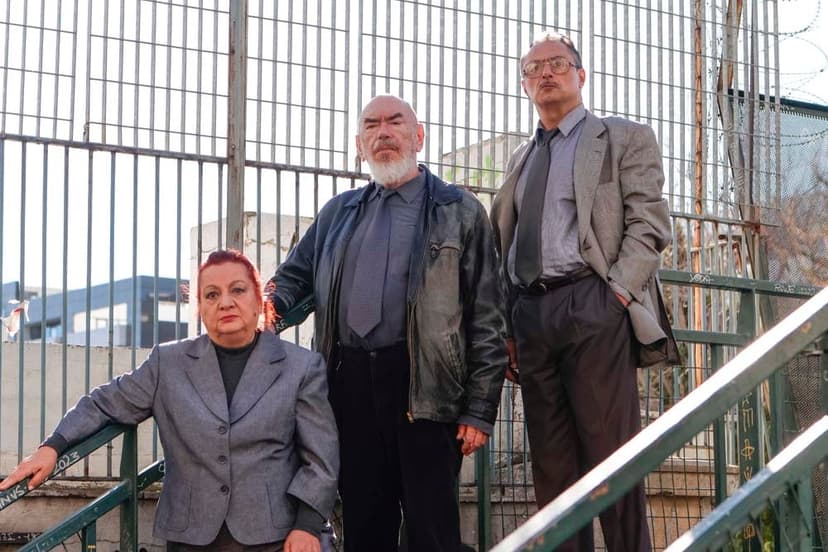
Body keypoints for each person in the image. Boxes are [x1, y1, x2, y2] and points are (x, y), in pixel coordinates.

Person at [270, 94, 508, 552]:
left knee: (431, 532)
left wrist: (480, 408)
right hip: (348, 385)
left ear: (418, 136)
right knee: (364, 526)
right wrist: (267, 309)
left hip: (425, 388)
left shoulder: (459, 211)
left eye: (395, 122)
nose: (383, 133)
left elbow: (487, 315)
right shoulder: (337, 213)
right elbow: (293, 277)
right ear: (359, 146)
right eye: (371, 126)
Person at [0, 250, 339, 552]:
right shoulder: (168, 363)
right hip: (191, 536)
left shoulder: (301, 367)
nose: (225, 302)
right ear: (200, 307)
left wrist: (307, 526)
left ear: (258, 299)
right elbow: (104, 403)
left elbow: (321, 457)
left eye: (238, 290)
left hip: (277, 537)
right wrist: (53, 447)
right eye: (211, 294)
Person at [490, 31, 680, 552]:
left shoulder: (621, 137)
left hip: (592, 303)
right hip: (530, 316)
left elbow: (649, 224)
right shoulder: (520, 158)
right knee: (552, 471)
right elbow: (506, 244)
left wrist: (614, 295)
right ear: (525, 85)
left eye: (557, 63)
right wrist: (508, 326)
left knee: (611, 458)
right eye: (533, 69)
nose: (545, 74)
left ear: (581, 74)